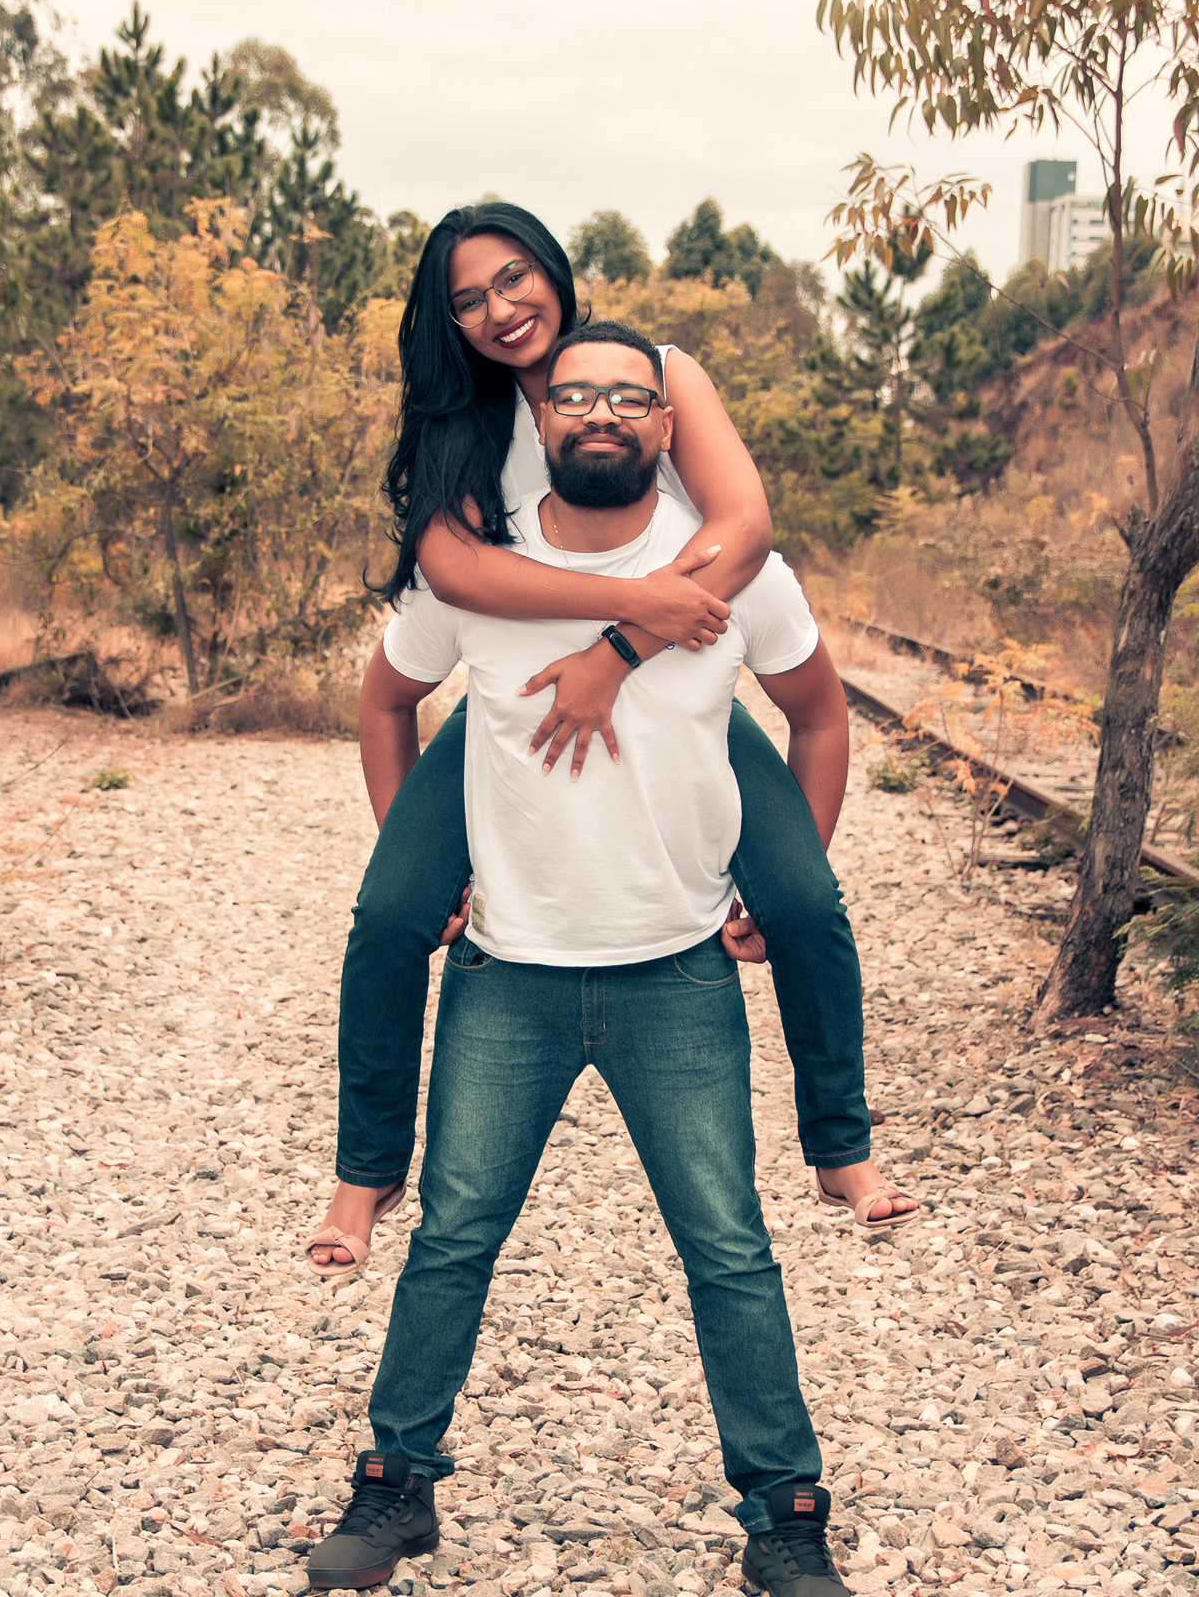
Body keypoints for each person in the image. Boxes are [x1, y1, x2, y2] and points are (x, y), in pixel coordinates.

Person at [304, 323, 857, 1597]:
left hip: (676, 978)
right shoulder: (480, 580)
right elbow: (384, 701)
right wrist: (416, 867)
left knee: (730, 1253)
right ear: (534, 420)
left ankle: (786, 1519)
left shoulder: (731, 572)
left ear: (670, 427)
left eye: (632, 395)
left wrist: (775, 891)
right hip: (508, 975)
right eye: (574, 396)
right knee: (452, 1241)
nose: (601, 413)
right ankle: (395, 1486)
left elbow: (818, 711)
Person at [304, 202, 917, 1277]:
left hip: (678, 690)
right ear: (447, 325)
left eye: (512, 280)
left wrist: (619, 651)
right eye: (467, 300)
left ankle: (842, 1148)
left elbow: (744, 526)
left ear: (552, 271)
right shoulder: (469, 425)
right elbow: (459, 576)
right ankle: (365, 1173)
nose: (499, 310)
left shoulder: (656, 373)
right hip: (521, 701)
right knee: (389, 915)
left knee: (808, 905)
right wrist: (628, 607)